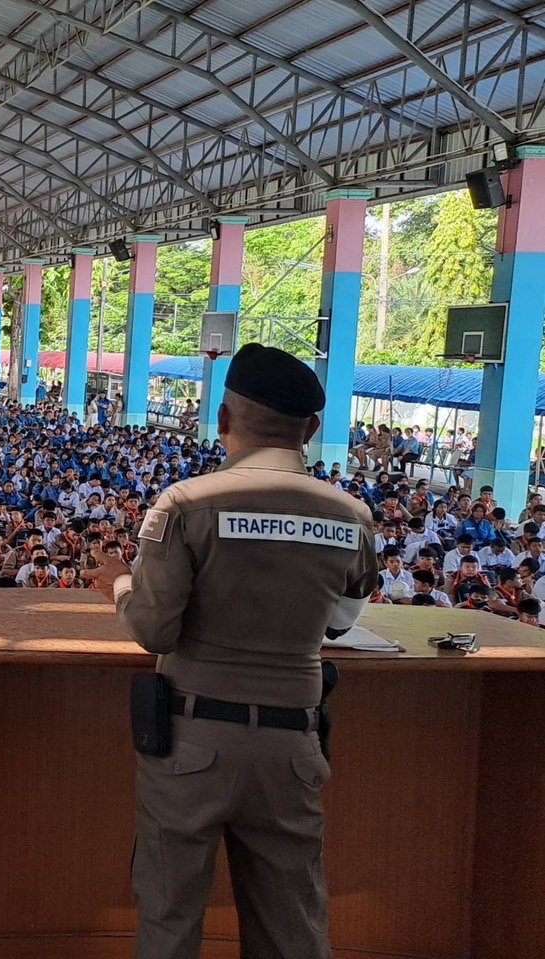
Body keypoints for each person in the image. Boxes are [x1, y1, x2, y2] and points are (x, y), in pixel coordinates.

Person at [92, 343, 379, 959]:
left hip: (191, 742)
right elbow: (341, 620)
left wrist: (119, 583)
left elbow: (154, 629)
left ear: (223, 419)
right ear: (311, 430)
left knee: (170, 920)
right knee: (292, 925)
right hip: (293, 747)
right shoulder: (352, 516)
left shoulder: (186, 503)